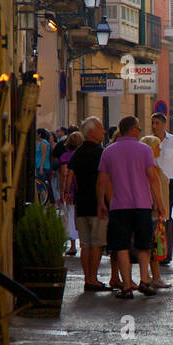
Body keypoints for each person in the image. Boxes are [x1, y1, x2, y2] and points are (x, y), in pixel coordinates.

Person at [97, 115, 166, 298]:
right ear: (134, 129)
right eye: (139, 129)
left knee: (121, 246)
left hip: (118, 206)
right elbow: (153, 178)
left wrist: (100, 204)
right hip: (142, 205)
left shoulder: (108, 151)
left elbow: (102, 180)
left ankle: (127, 286)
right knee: (144, 245)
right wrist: (160, 204)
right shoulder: (144, 150)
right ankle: (144, 280)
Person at [70, 117, 109, 291]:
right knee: (97, 243)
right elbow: (104, 180)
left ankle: (87, 279)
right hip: (96, 204)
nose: (104, 131)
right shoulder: (101, 152)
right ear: (92, 132)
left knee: (85, 245)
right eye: (101, 128)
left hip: (81, 204)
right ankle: (93, 279)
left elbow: (73, 179)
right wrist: (106, 201)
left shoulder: (77, 152)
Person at [140, 134, 172, 289]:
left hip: (156, 210)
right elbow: (152, 188)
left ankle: (154, 276)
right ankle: (152, 277)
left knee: (154, 245)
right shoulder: (149, 167)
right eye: (157, 146)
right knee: (153, 245)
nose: (160, 149)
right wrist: (159, 207)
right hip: (153, 211)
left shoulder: (154, 164)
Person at [150, 112, 173, 204]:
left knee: (167, 212)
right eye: (152, 123)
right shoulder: (148, 141)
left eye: (157, 123)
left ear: (164, 124)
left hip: (169, 181)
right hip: (152, 181)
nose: (154, 126)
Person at [58, 131, 83, 256]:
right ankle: (84, 244)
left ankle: (73, 246)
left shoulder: (65, 157)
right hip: (82, 190)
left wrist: (63, 192)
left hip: (70, 190)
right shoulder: (82, 154)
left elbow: (64, 174)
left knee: (70, 216)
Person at [34, 128, 54, 206]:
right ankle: (45, 203)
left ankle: (45, 204)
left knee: (40, 186)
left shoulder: (44, 143)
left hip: (42, 167)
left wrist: (41, 167)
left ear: (39, 134)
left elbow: (44, 155)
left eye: (36, 133)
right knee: (40, 185)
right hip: (40, 166)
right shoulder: (42, 143)